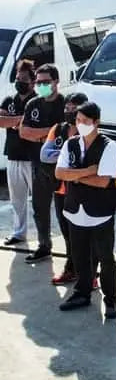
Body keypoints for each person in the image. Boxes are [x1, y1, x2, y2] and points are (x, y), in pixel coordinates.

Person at [54, 101, 116, 319]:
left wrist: (75, 174)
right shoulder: (70, 144)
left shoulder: (108, 146)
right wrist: (88, 171)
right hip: (75, 210)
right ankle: (82, 293)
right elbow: (59, 173)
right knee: (80, 256)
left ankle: (111, 300)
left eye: (85, 121)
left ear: (96, 122)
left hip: (100, 211)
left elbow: (103, 181)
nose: (80, 124)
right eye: (78, 120)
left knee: (105, 257)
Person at [39, 91, 98, 289]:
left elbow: (91, 162)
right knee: (67, 234)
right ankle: (71, 268)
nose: (70, 112)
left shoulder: (90, 135)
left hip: (84, 191)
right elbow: (45, 156)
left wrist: (69, 164)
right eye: (67, 108)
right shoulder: (58, 129)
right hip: (61, 191)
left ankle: (90, 274)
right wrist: (66, 156)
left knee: (87, 235)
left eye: (74, 108)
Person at [18, 63, 65, 263]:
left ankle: (74, 254)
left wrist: (39, 136)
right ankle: (44, 245)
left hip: (63, 171)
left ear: (56, 82)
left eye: (46, 82)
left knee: (65, 214)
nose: (41, 86)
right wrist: (51, 132)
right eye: (38, 82)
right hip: (39, 167)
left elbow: (69, 133)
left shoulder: (66, 104)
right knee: (40, 209)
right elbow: (23, 132)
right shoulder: (33, 104)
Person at [0, 59, 36, 246]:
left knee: (38, 202)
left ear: (32, 81)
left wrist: (14, 121)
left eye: (23, 79)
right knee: (17, 200)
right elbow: (1, 121)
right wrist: (20, 121)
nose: (19, 82)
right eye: (17, 78)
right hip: (13, 156)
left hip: (32, 158)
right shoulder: (9, 100)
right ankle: (18, 232)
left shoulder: (37, 101)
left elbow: (33, 125)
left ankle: (43, 239)